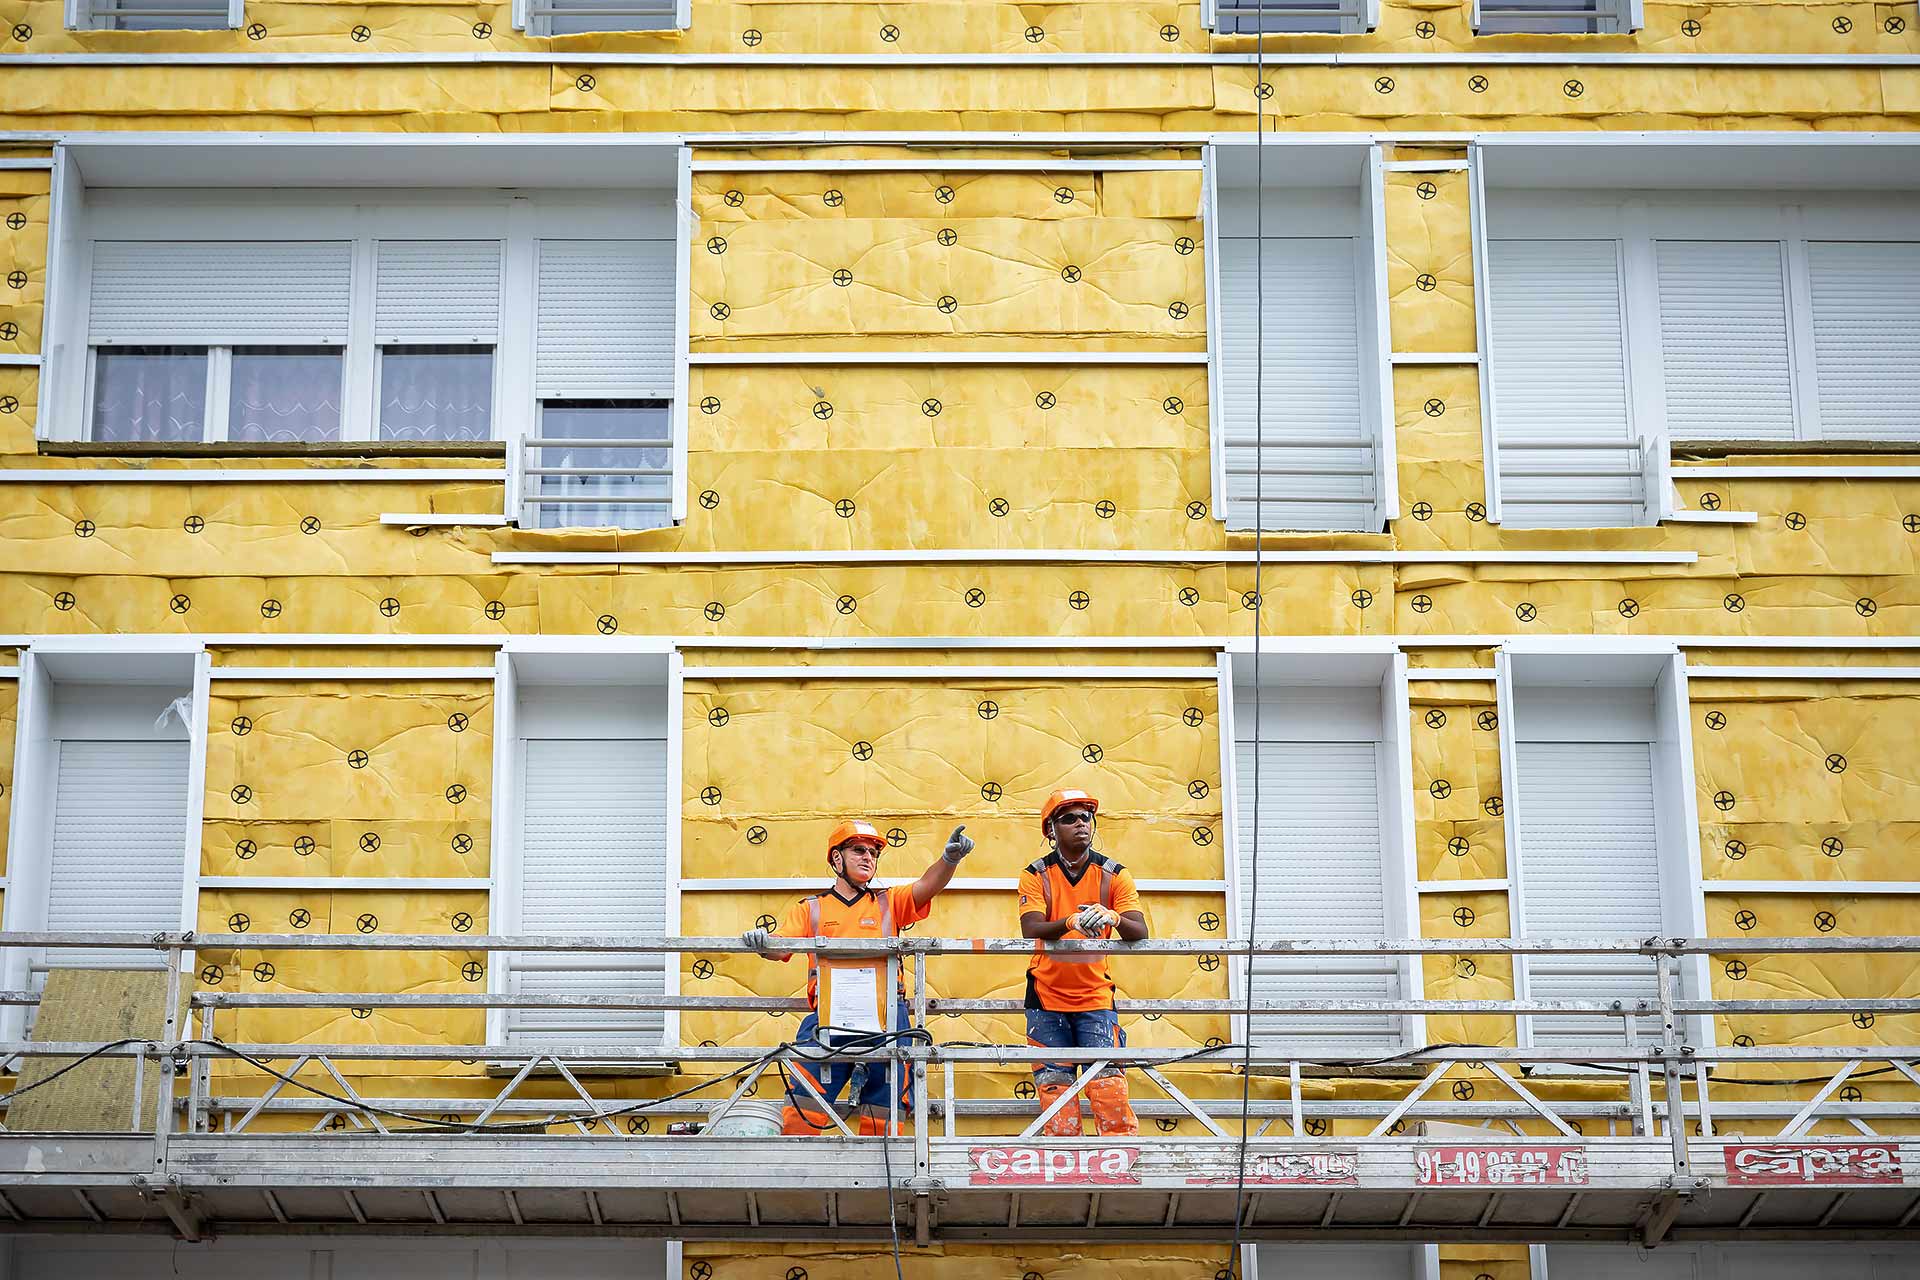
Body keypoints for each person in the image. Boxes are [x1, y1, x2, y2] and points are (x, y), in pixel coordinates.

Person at [743, 818, 972, 1135]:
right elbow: (780, 946)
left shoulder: (888, 903)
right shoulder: (811, 909)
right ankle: (795, 1177)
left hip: (888, 1021)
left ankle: (877, 1182)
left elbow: (927, 886)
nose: (868, 858)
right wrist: (761, 943)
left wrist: (949, 861)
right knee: (802, 1107)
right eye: (858, 850)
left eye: (874, 853)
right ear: (837, 859)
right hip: (828, 1019)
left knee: (885, 1114)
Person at [1017, 787, 1149, 1137]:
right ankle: (1064, 1161)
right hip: (1046, 996)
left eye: (1086, 818)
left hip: (1095, 996)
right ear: (1050, 831)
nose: (1081, 824)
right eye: (1069, 819)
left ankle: (1119, 1157)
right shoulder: (1036, 874)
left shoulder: (1114, 874)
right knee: (1055, 1086)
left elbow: (1140, 930)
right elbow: (1031, 927)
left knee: (1108, 1084)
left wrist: (1114, 918)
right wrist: (1069, 923)